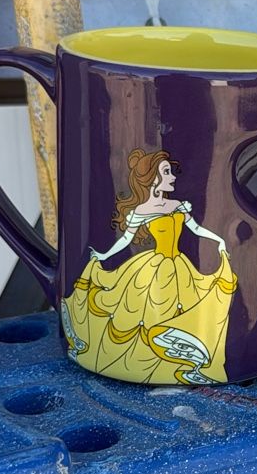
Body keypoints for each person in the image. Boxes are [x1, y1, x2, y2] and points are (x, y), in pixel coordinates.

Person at [62, 149, 237, 384]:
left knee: (188, 315)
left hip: (180, 269)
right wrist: (104, 254)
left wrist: (219, 240)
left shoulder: (177, 205)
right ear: (153, 178)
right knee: (141, 316)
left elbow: (196, 229)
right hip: (153, 270)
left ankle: (190, 367)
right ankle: (137, 362)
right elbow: (125, 239)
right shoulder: (141, 211)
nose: (172, 176)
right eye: (166, 172)